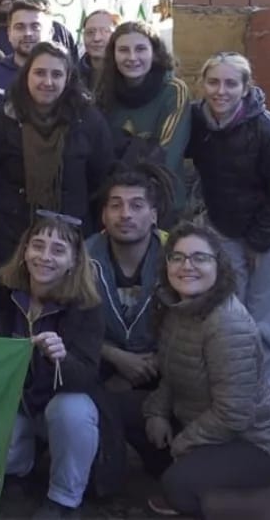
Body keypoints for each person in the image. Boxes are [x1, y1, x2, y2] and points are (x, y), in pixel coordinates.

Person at [131, 223, 270, 517]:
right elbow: (172, 372)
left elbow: (235, 414)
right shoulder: (175, 307)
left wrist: (182, 442)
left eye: (199, 258)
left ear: (219, 266)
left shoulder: (229, 326)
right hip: (199, 423)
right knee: (122, 408)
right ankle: (189, 474)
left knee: (177, 486)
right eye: (177, 258)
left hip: (252, 444)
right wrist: (157, 413)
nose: (186, 266)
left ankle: (254, 506)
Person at [0, 214, 108, 519]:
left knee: (72, 410)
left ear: (74, 261)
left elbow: (87, 376)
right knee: (0, 444)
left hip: (58, 406)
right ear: (24, 251)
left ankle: (63, 498)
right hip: (15, 405)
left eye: (58, 250)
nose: (45, 257)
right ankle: (21, 469)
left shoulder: (86, 306)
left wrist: (62, 358)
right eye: (38, 246)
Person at [187, 52, 270, 390]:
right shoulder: (197, 122)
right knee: (227, 317)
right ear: (203, 84)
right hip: (225, 227)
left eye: (230, 83)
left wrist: (258, 242)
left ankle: (255, 402)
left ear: (246, 88)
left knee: (264, 324)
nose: (221, 91)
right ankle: (225, 395)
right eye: (213, 82)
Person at [0, 42, 114, 270]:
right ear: (26, 75)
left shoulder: (89, 121)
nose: (48, 82)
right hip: (9, 238)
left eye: (57, 74)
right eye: (39, 73)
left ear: (68, 78)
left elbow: (102, 179)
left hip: (69, 237)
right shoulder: (1, 121)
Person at [95, 20, 192, 224]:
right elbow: (100, 151)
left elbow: (167, 153)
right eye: (123, 50)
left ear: (155, 53)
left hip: (163, 205)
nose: (132, 58)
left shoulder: (174, 91)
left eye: (140, 49)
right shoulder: (104, 92)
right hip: (116, 206)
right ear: (113, 55)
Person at [88, 164, 173, 389]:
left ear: (154, 215)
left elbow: (194, 323)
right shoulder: (81, 258)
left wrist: (152, 363)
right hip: (97, 373)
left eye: (136, 206)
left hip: (168, 377)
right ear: (104, 215)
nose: (125, 214)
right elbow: (66, 324)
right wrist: (116, 357)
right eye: (116, 206)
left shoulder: (177, 256)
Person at [0, 0, 53, 113]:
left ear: (50, 33)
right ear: (9, 33)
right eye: (20, 27)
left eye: (35, 27)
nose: (28, 33)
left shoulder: (64, 79)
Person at [79, 10, 120, 90]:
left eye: (105, 31)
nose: (96, 38)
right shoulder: (72, 75)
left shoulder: (127, 74)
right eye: (90, 32)